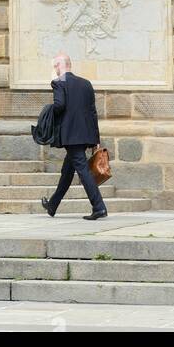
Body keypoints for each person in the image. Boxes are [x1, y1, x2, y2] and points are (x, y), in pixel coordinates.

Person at [40, 51, 108, 221]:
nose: (55, 69)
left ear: (58, 66)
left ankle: (99, 207)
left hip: (71, 136)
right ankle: (52, 205)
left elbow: (59, 105)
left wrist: (48, 109)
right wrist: (96, 139)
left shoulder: (58, 83)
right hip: (85, 135)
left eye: (55, 66)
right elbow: (93, 113)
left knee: (83, 170)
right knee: (67, 172)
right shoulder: (86, 83)